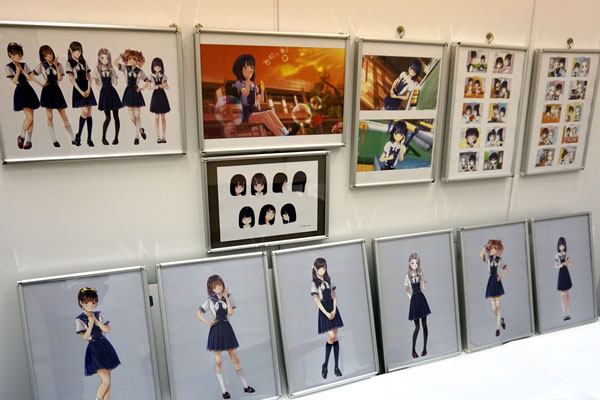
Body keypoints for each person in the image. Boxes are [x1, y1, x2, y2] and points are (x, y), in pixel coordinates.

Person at [195, 275, 255, 399]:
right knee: (218, 362)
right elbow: (198, 313)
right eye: (215, 287)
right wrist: (208, 323)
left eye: (220, 285)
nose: (218, 288)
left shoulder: (229, 297)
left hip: (227, 328)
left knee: (235, 359)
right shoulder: (210, 300)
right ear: (212, 289)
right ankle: (224, 391)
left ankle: (246, 386)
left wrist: (226, 297)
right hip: (216, 330)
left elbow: (230, 313)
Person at [75, 288, 120, 400]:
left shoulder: (99, 314)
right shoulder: (80, 319)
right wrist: (90, 324)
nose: (90, 305)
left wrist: (96, 322)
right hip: (94, 349)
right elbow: (85, 337)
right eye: (87, 302)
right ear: (81, 302)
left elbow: (107, 329)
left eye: (93, 302)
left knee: (108, 381)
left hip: (105, 345)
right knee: (106, 380)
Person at [232, 54, 289, 135]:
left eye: (251, 67)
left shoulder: (253, 84)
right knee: (264, 115)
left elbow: (261, 101)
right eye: (245, 68)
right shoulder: (239, 83)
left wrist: (262, 90)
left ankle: (284, 130)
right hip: (245, 113)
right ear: (240, 70)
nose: (249, 70)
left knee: (269, 111)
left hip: (254, 110)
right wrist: (248, 79)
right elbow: (246, 92)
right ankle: (279, 134)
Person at [34, 45, 74, 147]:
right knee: (50, 117)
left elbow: (60, 78)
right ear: (43, 56)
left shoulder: (59, 65)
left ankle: (73, 138)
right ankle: (54, 140)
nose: (49, 56)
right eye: (46, 55)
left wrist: (56, 65)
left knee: (64, 116)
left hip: (56, 90)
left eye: (50, 53)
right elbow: (31, 75)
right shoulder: (42, 65)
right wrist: (40, 84)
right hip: (47, 91)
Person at [311, 258, 343, 379]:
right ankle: (325, 365)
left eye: (324, 268)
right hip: (324, 309)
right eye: (320, 268)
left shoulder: (329, 280)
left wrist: (334, 309)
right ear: (315, 268)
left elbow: (334, 295)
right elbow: (317, 301)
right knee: (331, 336)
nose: (322, 270)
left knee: (335, 337)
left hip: (332, 307)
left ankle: (336, 367)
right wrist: (326, 313)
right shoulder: (314, 283)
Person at [6, 42, 40, 150]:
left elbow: (29, 78)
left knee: (32, 118)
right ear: (10, 54)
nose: (19, 57)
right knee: (29, 117)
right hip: (20, 91)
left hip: (28, 90)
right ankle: (21, 136)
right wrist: (17, 72)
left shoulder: (24, 64)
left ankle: (28, 140)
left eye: (20, 55)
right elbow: (13, 81)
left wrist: (22, 70)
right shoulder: (8, 67)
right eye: (16, 55)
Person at [114, 49, 149, 145]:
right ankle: (140, 130)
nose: (131, 60)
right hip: (128, 92)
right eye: (129, 59)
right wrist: (121, 55)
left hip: (136, 92)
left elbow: (148, 81)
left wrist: (142, 88)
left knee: (137, 116)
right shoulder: (125, 68)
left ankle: (137, 137)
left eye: (134, 59)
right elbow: (115, 62)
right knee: (131, 116)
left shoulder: (140, 71)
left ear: (138, 60)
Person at [67, 41, 97, 147]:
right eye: (75, 51)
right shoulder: (69, 63)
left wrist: (88, 89)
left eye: (79, 51)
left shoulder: (83, 62)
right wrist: (80, 91)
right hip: (78, 88)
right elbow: (71, 79)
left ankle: (89, 138)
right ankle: (79, 135)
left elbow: (89, 77)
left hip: (87, 86)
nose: (78, 53)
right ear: (71, 51)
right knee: (85, 111)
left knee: (89, 113)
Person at [93, 48, 122, 145]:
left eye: (107, 58)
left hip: (112, 92)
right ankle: (103, 138)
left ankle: (116, 138)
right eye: (102, 58)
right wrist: (101, 92)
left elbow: (115, 83)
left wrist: (113, 73)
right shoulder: (97, 69)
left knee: (116, 117)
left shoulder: (111, 68)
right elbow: (96, 83)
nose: (105, 60)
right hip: (104, 93)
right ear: (99, 58)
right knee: (108, 118)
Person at [404, 253, 431, 358]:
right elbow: (407, 290)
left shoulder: (420, 273)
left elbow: (423, 288)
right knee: (417, 327)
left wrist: (422, 278)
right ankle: (413, 350)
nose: (414, 265)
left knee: (424, 325)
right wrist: (411, 299)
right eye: (412, 263)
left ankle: (425, 348)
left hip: (421, 298)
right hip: (415, 300)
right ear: (409, 263)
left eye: (416, 263)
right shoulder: (407, 276)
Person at [480, 240, 508, 337]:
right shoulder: (488, 259)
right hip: (491, 282)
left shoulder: (500, 260)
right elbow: (480, 255)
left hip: (497, 281)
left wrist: (501, 276)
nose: (493, 250)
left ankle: (497, 328)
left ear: (497, 249)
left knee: (498, 306)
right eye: (491, 248)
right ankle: (501, 320)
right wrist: (485, 247)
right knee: (493, 308)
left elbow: (506, 268)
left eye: (495, 248)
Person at [149, 57, 170, 143]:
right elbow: (149, 87)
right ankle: (158, 136)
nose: (157, 68)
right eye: (155, 66)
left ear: (161, 67)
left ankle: (163, 136)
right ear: (153, 67)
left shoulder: (164, 76)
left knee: (163, 117)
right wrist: (155, 87)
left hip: (162, 95)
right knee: (157, 117)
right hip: (156, 96)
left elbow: (167, 87)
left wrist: (163, 86)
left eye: (159, 66)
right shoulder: (151, 76)